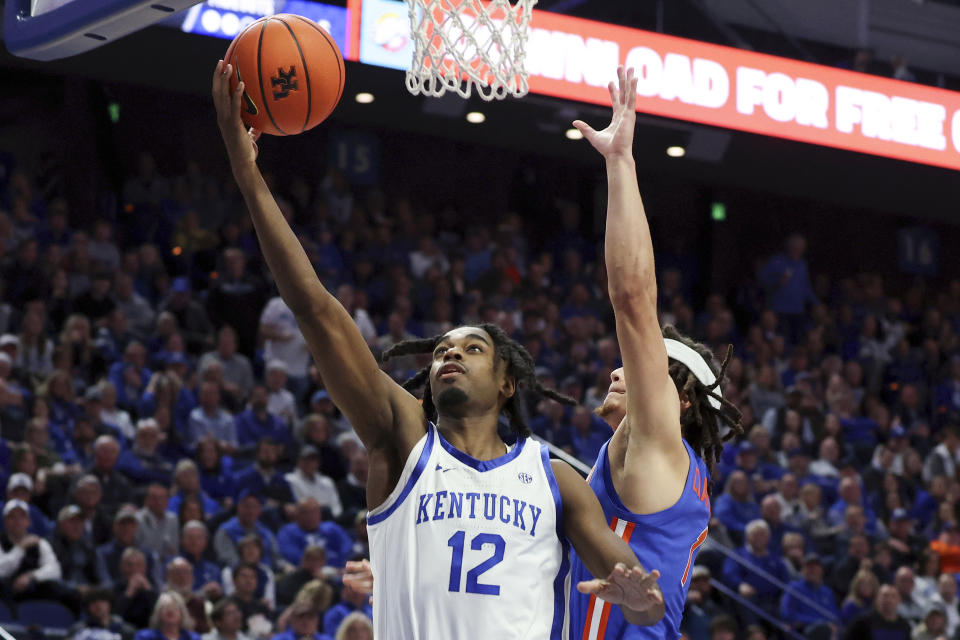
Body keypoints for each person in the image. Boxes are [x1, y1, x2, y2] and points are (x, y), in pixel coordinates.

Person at [214, 59, 664, 638]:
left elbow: (641, 602)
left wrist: (638, 597)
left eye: (472, 349)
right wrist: (248, 176)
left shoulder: (554, 479)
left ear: (507, 383)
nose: (448, 356)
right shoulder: (399, 437)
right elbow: (316, 310)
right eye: (442, 351)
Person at [567, 66, 743, 640]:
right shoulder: (651, 464)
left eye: (649, 368)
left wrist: (620, 165)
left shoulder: (659, 447)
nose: (621, 366)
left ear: (682, 398)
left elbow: (633, 299)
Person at [844, 584, 912, 640]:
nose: (889, 600)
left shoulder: (905, 626)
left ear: (899, 600)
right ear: (877, 599)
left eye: (893, 596)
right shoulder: (862, 622)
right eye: (885, 596)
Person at [69, 587, 137, 640]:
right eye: (93, 602)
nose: (98, 605)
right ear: (88, 607)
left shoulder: (126, 630)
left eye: (103, 601)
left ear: (110, 605)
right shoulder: (78, 629)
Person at [135, 591, 201, 640]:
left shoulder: (193, 638)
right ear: (158, 613)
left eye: (174, 607)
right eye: (165, 607)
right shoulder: (144, 637)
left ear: (182, 613)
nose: (170, 610)